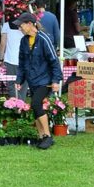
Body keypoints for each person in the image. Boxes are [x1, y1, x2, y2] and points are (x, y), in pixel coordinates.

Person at [14, 13, 62, 150]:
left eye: (21, 25)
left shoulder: (44, 39)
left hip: (45, 80)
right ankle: (41, 137)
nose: (19, 28)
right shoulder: (24, 41)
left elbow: (54, 61)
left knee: (35, 103)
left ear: (30, 24)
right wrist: (19, 79)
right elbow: (22, 62)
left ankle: (48, 136)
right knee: (36, 107)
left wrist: (56, 80)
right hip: (32, 80)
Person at [0, 17, 25, 97]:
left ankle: (17, 102)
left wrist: (0, 59)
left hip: (11, 60)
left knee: (11, 85)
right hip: (24, 60)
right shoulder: (26, 25)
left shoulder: (6, 25)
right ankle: (22, 102)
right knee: (23, 86)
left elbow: (2, 44)